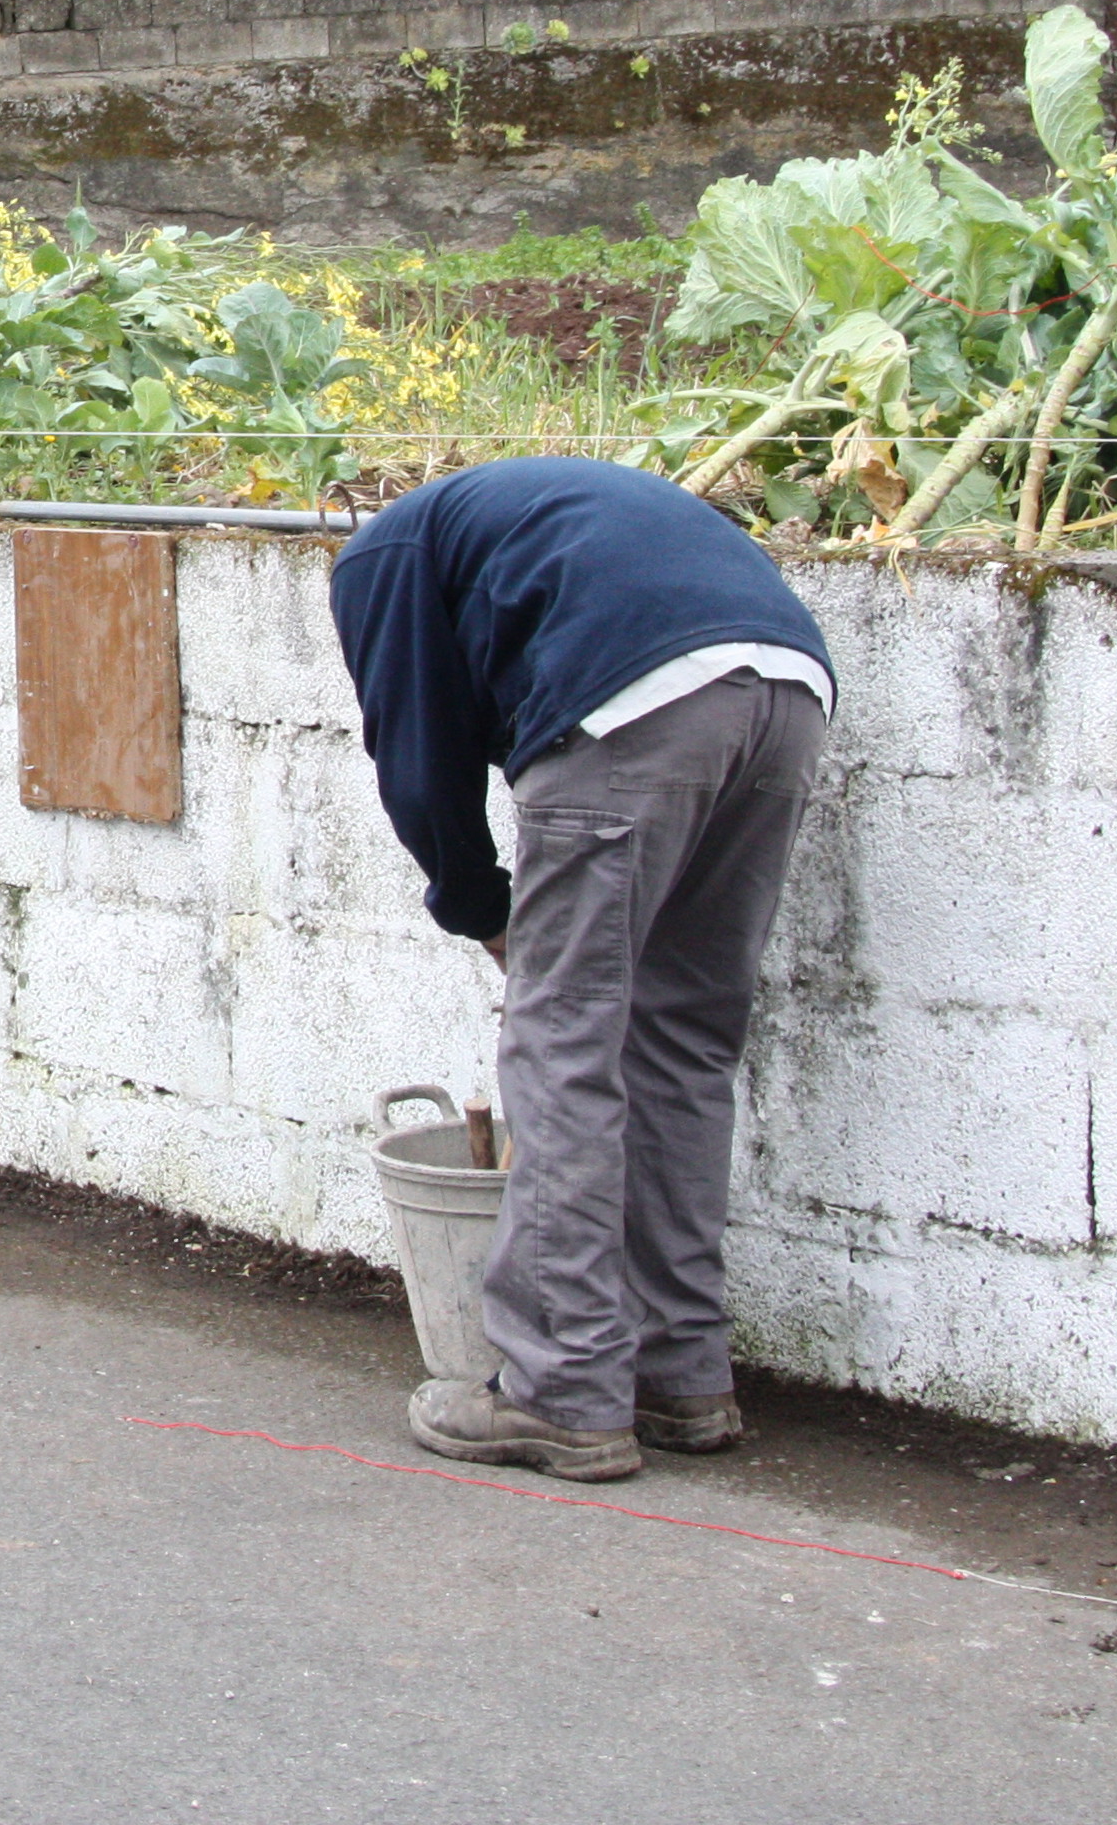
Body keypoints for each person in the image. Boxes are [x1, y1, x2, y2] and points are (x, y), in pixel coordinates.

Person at [327, 454, 834, 1485]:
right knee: (683, 1041)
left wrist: (482, 910)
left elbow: (418, 761)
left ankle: (562, 1389)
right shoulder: (531, 512)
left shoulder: (377, 555)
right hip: (787, 685)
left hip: (629, 702)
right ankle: (681, 1377)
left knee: (565, 1044)